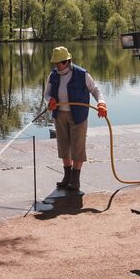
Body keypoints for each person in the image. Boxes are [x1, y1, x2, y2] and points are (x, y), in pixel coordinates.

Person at [44, 46, 107, 191]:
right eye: (55, 63)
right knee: (64, 146)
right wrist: (50, 100)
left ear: (68, 61)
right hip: (60, 115)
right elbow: (46, 94)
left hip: (78, 115)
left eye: (60, 62)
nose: (57, 66)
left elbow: (95, 90)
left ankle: (75, 179)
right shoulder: (53, 75)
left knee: (78, 147)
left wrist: (101, 103)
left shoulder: (81, 74)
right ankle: (67, 177)